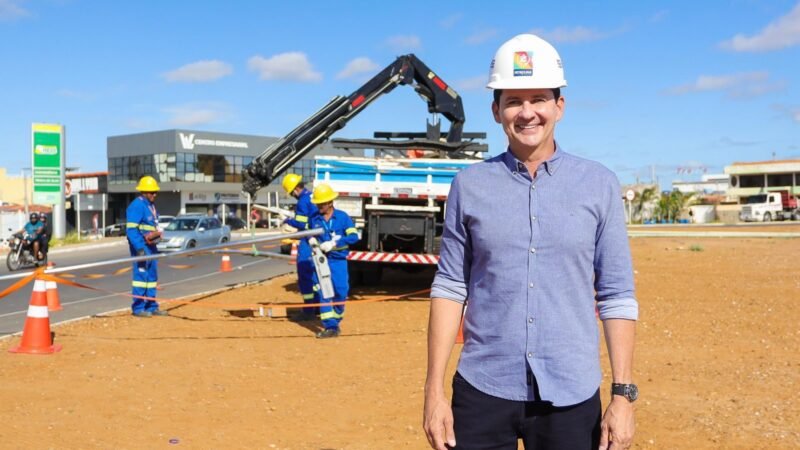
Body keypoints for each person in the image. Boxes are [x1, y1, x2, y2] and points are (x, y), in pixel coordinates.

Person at [423, 34, 639, 450]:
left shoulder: (599, 185)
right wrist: (434, 392)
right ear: (495, 110)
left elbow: (617, 294)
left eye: (539, 98)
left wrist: (623, 394)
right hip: (483, 389)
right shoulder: (469, 187)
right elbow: (450, 288)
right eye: (513, 101)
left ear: (560, 105)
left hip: (571, 396)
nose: (527, 113)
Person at [306, 183, 359, 338]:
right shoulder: (314, 218)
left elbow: (354, 236)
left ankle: (336, 319)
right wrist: (311, 240)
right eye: (317, 203)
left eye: (321, 203)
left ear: (330, 203)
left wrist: (335, 242)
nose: (319, 206)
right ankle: (330, 327)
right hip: (321, 260)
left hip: (338, 261)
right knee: (324, 292)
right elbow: (309, 233)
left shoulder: (342, 217)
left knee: (341, 291)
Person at [125, 175, 167, 318]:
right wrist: (140, 248)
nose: (155, 194)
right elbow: (131, 230)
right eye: (152, 192)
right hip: (142, 248)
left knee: (152, 277)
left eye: (156, 192)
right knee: (141, 277)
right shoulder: (136, 206)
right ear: (144, 192)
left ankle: (151, 306)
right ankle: (138, 308)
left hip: (151, 247)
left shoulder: (150, 205)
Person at [281, 173, 319, 321]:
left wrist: (288, 220)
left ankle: (308, 311)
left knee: (305, 276)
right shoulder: (312, 196)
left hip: (307, 240)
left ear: (296, 189)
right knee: (316, 277)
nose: (292, 195)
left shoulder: (303, 201)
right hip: (316, 239)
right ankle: (318, 307)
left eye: (291, 193)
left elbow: (301, 223)